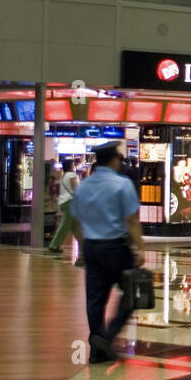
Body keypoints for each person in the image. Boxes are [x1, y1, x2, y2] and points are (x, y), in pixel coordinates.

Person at [68, 141, 147, 362]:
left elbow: (75, 221)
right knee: (131, 294)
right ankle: (107, 337)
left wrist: (85, 245)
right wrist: (140, 249)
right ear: (113, 160)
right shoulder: (122, 184)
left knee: (95, 299)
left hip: (93, 247)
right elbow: (131, 219)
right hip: (117, 248)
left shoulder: (83, 186)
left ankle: (97, 349)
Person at [47, 159, 82, 263]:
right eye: (73, 165)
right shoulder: (71, 175)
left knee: (74, 225)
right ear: (71, 166)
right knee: (65, 225)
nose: (74, 166)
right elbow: (76, 189)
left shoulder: (63, 176)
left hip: (63, 202)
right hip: (70, 202)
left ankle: (83, 244)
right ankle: (54, 245)